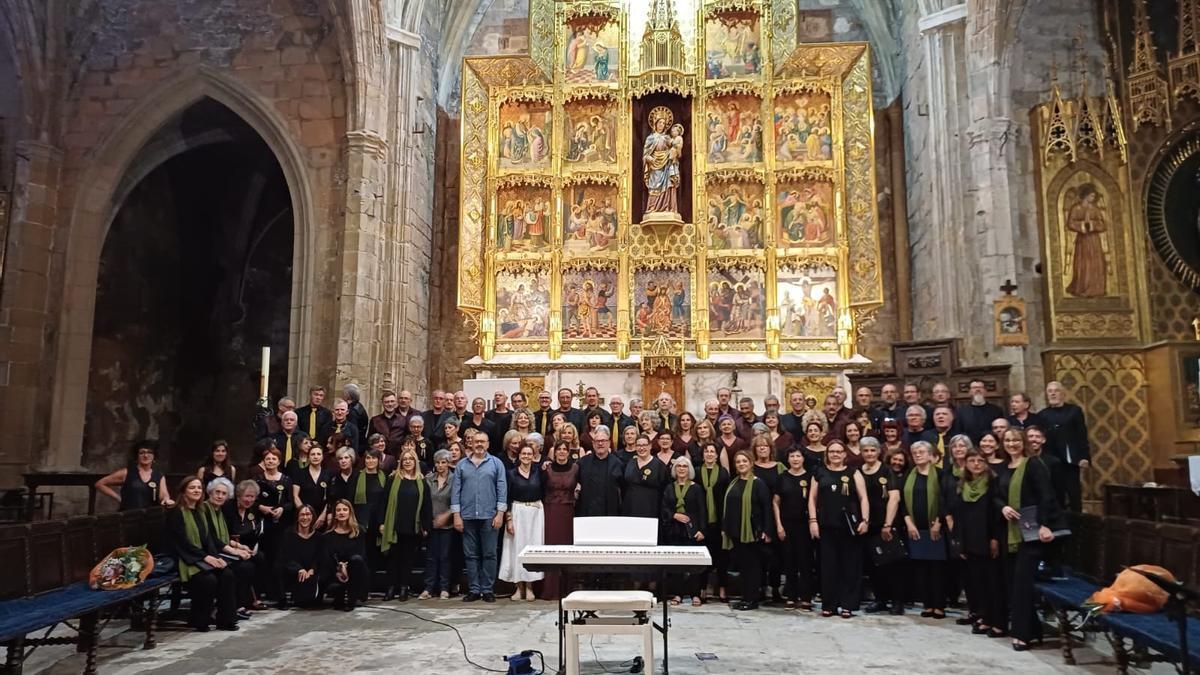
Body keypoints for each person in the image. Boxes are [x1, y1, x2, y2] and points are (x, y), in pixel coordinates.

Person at [996, 428, 1064, 650]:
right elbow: (996, 495)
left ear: (1023, 441)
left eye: (1015, 440)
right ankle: (1033, 629)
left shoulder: (1033, 464)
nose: (1012, 444)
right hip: (1011, 533)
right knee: (1011, 583)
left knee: (1022, 585)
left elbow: (1046, 495)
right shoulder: (1004, 468)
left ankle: (1022, 634)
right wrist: (1003, 506)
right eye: (1007, 440)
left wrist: (1045, 524)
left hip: (1033, 532)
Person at [167, 476, 239, 631]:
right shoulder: (176, 512)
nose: (196, 490)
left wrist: (216, 558)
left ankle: (226, 620)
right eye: (192, 487)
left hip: (202, 556)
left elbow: (208, 539)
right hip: (185, 558)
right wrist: (205, 557)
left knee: (227, 574)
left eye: (199, 487)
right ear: (183, 491)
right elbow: (181, 542)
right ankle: (200, 620)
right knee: (208, 580)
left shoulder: (201, 511)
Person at [809, 440, 869, 618]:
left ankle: (848, 604)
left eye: (839, 451)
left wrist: (865, 520)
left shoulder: (853, 473)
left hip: (849, 528)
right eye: (832, 451)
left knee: (849, 567)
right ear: (827, 454)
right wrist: (813, 521)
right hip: (826, 526)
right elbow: (812, 499)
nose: (835, 454)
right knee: (828, 567)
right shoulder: (819, 473)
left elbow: (863, 498)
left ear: (844, 454)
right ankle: (829, 605)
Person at [950, 449, 1005, 637]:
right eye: (972, 460)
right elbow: (959, 516)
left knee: (990, 582)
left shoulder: (992, 483)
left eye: (980, 460)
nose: (976, 464)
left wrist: (995, 538)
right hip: (969, 539)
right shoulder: (963, 484)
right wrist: (960, 543)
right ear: (965, 463)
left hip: (986, 537)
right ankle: (981, 615)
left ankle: (992, 618)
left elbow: (996, 515)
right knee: (975, 582)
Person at [451, 432, 508, 603]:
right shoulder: (462, 465)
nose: (479, 444)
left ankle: (488, 589)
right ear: (471, 443)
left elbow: (502, 490)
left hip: (489, 516)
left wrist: (500, 513)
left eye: (483, 441)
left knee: (489, 554)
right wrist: (456, 515)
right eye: (476, 441)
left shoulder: (496, 464)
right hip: (467, 516)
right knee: (471, 555)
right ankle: (474, 589)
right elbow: (455, 491)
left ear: (488, 444)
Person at [901, 440, 952, 619]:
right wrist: (909, 523)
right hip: (916, 529)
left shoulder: (940, 474)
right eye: (915, 452)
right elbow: (902, 502)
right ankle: (927, 604)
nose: (918, 455)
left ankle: (939, 605)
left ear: (931, 456)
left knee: (937, 569)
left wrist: (938, 522)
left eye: (922, 452)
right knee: (921, 569)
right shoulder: (909, 474)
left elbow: (944, 500)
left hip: (935, 528)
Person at [722, 450, 773, 611]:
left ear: (751, 463)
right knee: (744, 567)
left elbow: (767, 508)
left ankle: (752, 600)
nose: (741, 464)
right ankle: (745, 597)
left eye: (744, 461)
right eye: (738, 462)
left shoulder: (758, 483)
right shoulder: (734, 482)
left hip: (752, 532)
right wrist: (725, 528)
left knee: (753, 567)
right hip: (736, 532)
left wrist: (767, 530)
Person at [202, 478, 257, 619]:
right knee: (241, 568)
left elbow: (225, 537)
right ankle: (228, 608)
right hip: (208, 552)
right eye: (217, 492)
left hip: (218, 549)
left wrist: (240, 547)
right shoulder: (204, 510)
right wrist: (236, 551)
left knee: (249, 565)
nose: (220, 496)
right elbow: (214, 539)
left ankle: (237, 605)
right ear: (209, 493)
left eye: (223, 494)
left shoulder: (218, 511)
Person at [380, 449, 431, 601]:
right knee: (393, 559)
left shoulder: (421, 482)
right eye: (405, 459)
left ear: (416, 462)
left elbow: (426, 506)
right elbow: (383, 502)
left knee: (407, 560)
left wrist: (426, 526)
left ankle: (403, 587)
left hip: (412, 527)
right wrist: (382, 522)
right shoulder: (393, 479)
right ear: (400, 462)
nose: (408, 461)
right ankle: (390, 588)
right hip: (394, 526)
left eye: (411, 459)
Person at [859, 437, 902, 615]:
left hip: (885, 525)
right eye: (866, 451)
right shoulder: (858, 471)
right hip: (868, 525)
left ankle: (897, 601)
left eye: (872, 450)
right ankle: (880, 599)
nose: (869, 454)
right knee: (873, 566)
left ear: (878, 452)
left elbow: (894, 497)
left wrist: (888, 524)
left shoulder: (886, 471)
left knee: (891, 565)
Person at [500, 444, 545, 600]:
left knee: (533, 548)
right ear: (519, 456)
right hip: (517, 511)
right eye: (523, 454)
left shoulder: (539, 471)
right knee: (516, 548)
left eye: (529, 454)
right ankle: (519, 588)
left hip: (536, 512)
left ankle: (530, 587)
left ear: (534, 456)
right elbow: (507, 497)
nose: (526, 456)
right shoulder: (511, 474)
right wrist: (509, 520)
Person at [661, 455, 707, 606]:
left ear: (689, 470)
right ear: (675, 469)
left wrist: (702, 530)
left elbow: (702, 510)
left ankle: (695, 594)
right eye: (679, 466)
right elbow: (664, 508)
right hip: (674, 530)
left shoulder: (696, 488)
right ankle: (678, 594)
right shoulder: (669, 487)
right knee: (676, 564)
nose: (681, 469)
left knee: (693, 564)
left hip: (692, 530)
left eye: (685, 466)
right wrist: (674, 515)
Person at [1039, 381, 1091, 513]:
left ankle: (1078, 527)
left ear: (1062, 393)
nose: (1053, 393)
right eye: (1050, 391)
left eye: (1056, 390)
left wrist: (1084, 457)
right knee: (1056, 496)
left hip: (1071, 461)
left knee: (1074, 496)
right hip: (1051, 461)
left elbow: (1082, 435)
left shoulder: (1074, 411)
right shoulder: (1042, 415)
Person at [773, 446, 814, 610]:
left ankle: (806, 597)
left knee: (805, 561)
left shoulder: (810, 477)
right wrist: (779, 525)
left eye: (798, 456)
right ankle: (790, 595)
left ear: (803, 458)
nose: (795, 459)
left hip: (805, 525)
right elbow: (776, 502)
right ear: (788, 459)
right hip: (787, 524)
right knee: (789, 561)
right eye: (792, 456)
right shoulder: (782, 477)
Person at [253, 445, 292, 602]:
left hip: (280, 526)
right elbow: (251, 501)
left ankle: (280, 596)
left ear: (279, 461)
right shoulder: (257, 479)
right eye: (267, 459)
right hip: (262, 525)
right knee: (262, 559)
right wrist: (261, 507)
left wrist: (282, 509)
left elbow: (290, 502)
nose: (270, 461)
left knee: (278, 560)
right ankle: (261, 593)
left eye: (273, 459)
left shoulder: (286, 479)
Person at [542, 440, 580, 600]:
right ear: (555, 452)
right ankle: (551, 590)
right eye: (559, 449)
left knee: (567, 549)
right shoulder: (547, 468)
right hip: (550, 511)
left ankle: (568, 589)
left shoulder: (576, 468)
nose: (563, 452)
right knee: (552, 548)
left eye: (565, 449)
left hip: (568, 512)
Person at [224, 480, 268, 610]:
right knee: (246, 566)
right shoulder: (228, 508)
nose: (249, 500)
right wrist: (239, 548)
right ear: (238, 495)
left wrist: (252, 548)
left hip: (248, 546)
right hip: (229, 546)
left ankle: (256, 597)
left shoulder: (253, 509)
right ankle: (241, 600)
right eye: (246, 496)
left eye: (252, 497)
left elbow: (256, 531)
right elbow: (223, 534)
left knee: (261, 558)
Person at [696, 442, 730, 603]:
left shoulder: (723, 473)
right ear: (702, 455)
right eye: (706, 451)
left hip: (718, 521)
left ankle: (722, 588)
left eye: (712, 452)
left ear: (717, 455)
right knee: (702, 557)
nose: (709, 454)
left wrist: (725, 524)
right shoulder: (696, 472)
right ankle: (701, 588)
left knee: (721, 557)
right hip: (702, 522)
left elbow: (726, 499)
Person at [96, 440, 174, 510]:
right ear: (137, 456)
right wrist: (118, 498)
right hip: (128, 516)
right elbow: (100, 484)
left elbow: (164, 494)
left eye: (149, 452)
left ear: (154, 456)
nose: (146, 455)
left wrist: (166, 499)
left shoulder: (159, 476)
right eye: (142, 453)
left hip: (150, 518)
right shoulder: (126, 473)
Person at [323, 499, 369, 610]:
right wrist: (338, 570)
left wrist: (345, 566)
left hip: (355, 570)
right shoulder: (328, 535)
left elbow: (361, 554)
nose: (342, 512)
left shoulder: (359, 531)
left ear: (350, 512)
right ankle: (339, 594)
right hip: (337, 572)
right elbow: (328, 558)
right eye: (338, 510)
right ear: (335, 514)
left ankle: (351, 599)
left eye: (345, 510)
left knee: (356, 559)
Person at [420, 449, 455, 600]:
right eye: (438, 462)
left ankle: (444, 588)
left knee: (445, 556)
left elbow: (457, 502)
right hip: (431, 524)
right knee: (431, 557)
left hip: (448, 525)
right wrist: (426, 524)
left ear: (449, 464)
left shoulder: (455, 479)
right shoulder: (428, 479)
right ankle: (428, 588)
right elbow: (424, 503)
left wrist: (446, 517)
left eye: (443, 462)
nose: (440, 465)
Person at [276, 505, 323, 609]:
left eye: (308, 514)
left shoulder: (319, 537)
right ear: (297, 517)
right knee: (277, 567)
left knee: (306, 602)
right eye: (302, 514)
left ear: (313, 517)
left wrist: (312, 569)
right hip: (293, 571)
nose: (305, 518)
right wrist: (298, 569)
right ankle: (282, 599)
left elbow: (320, 557)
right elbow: (285, 556)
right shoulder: (288, 534)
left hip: (309, 572)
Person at [351, 449, 388, 575]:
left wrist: (383, 521)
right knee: (363, 550)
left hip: (378, 519)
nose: (370, 461)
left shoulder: (385, 477)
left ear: (378, 460)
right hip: (361, 519)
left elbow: (386, 500)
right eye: (368, 458)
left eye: (373, 458)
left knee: (375, 551)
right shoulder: (356, 477)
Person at [576, 426, 623, 517]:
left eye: (603, 441)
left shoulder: (617, 463)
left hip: (610, 511)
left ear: (609, 443)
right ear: (593, 443)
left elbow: (622, 487)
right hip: (587, 510)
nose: (600, 443)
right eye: (597, 441)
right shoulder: (583, 462)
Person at [622, 435, 669, 518]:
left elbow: (665, 488)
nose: (641, 448)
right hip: (630, 507)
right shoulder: (630, 463)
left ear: (650, 446)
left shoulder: (659, 465)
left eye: (644, 445)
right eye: (639, 445)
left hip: (651, 508)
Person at [292, 444, 333, 529]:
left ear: (322, 457)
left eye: (318, 454)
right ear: (308, 457)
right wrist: (304, 514)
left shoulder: (329, 474)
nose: (316, 457)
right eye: (313, 454)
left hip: (322, 516)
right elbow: (295, 495)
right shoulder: (299, 473)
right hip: (303, 515)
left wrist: (323, 515)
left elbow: (330, 498)